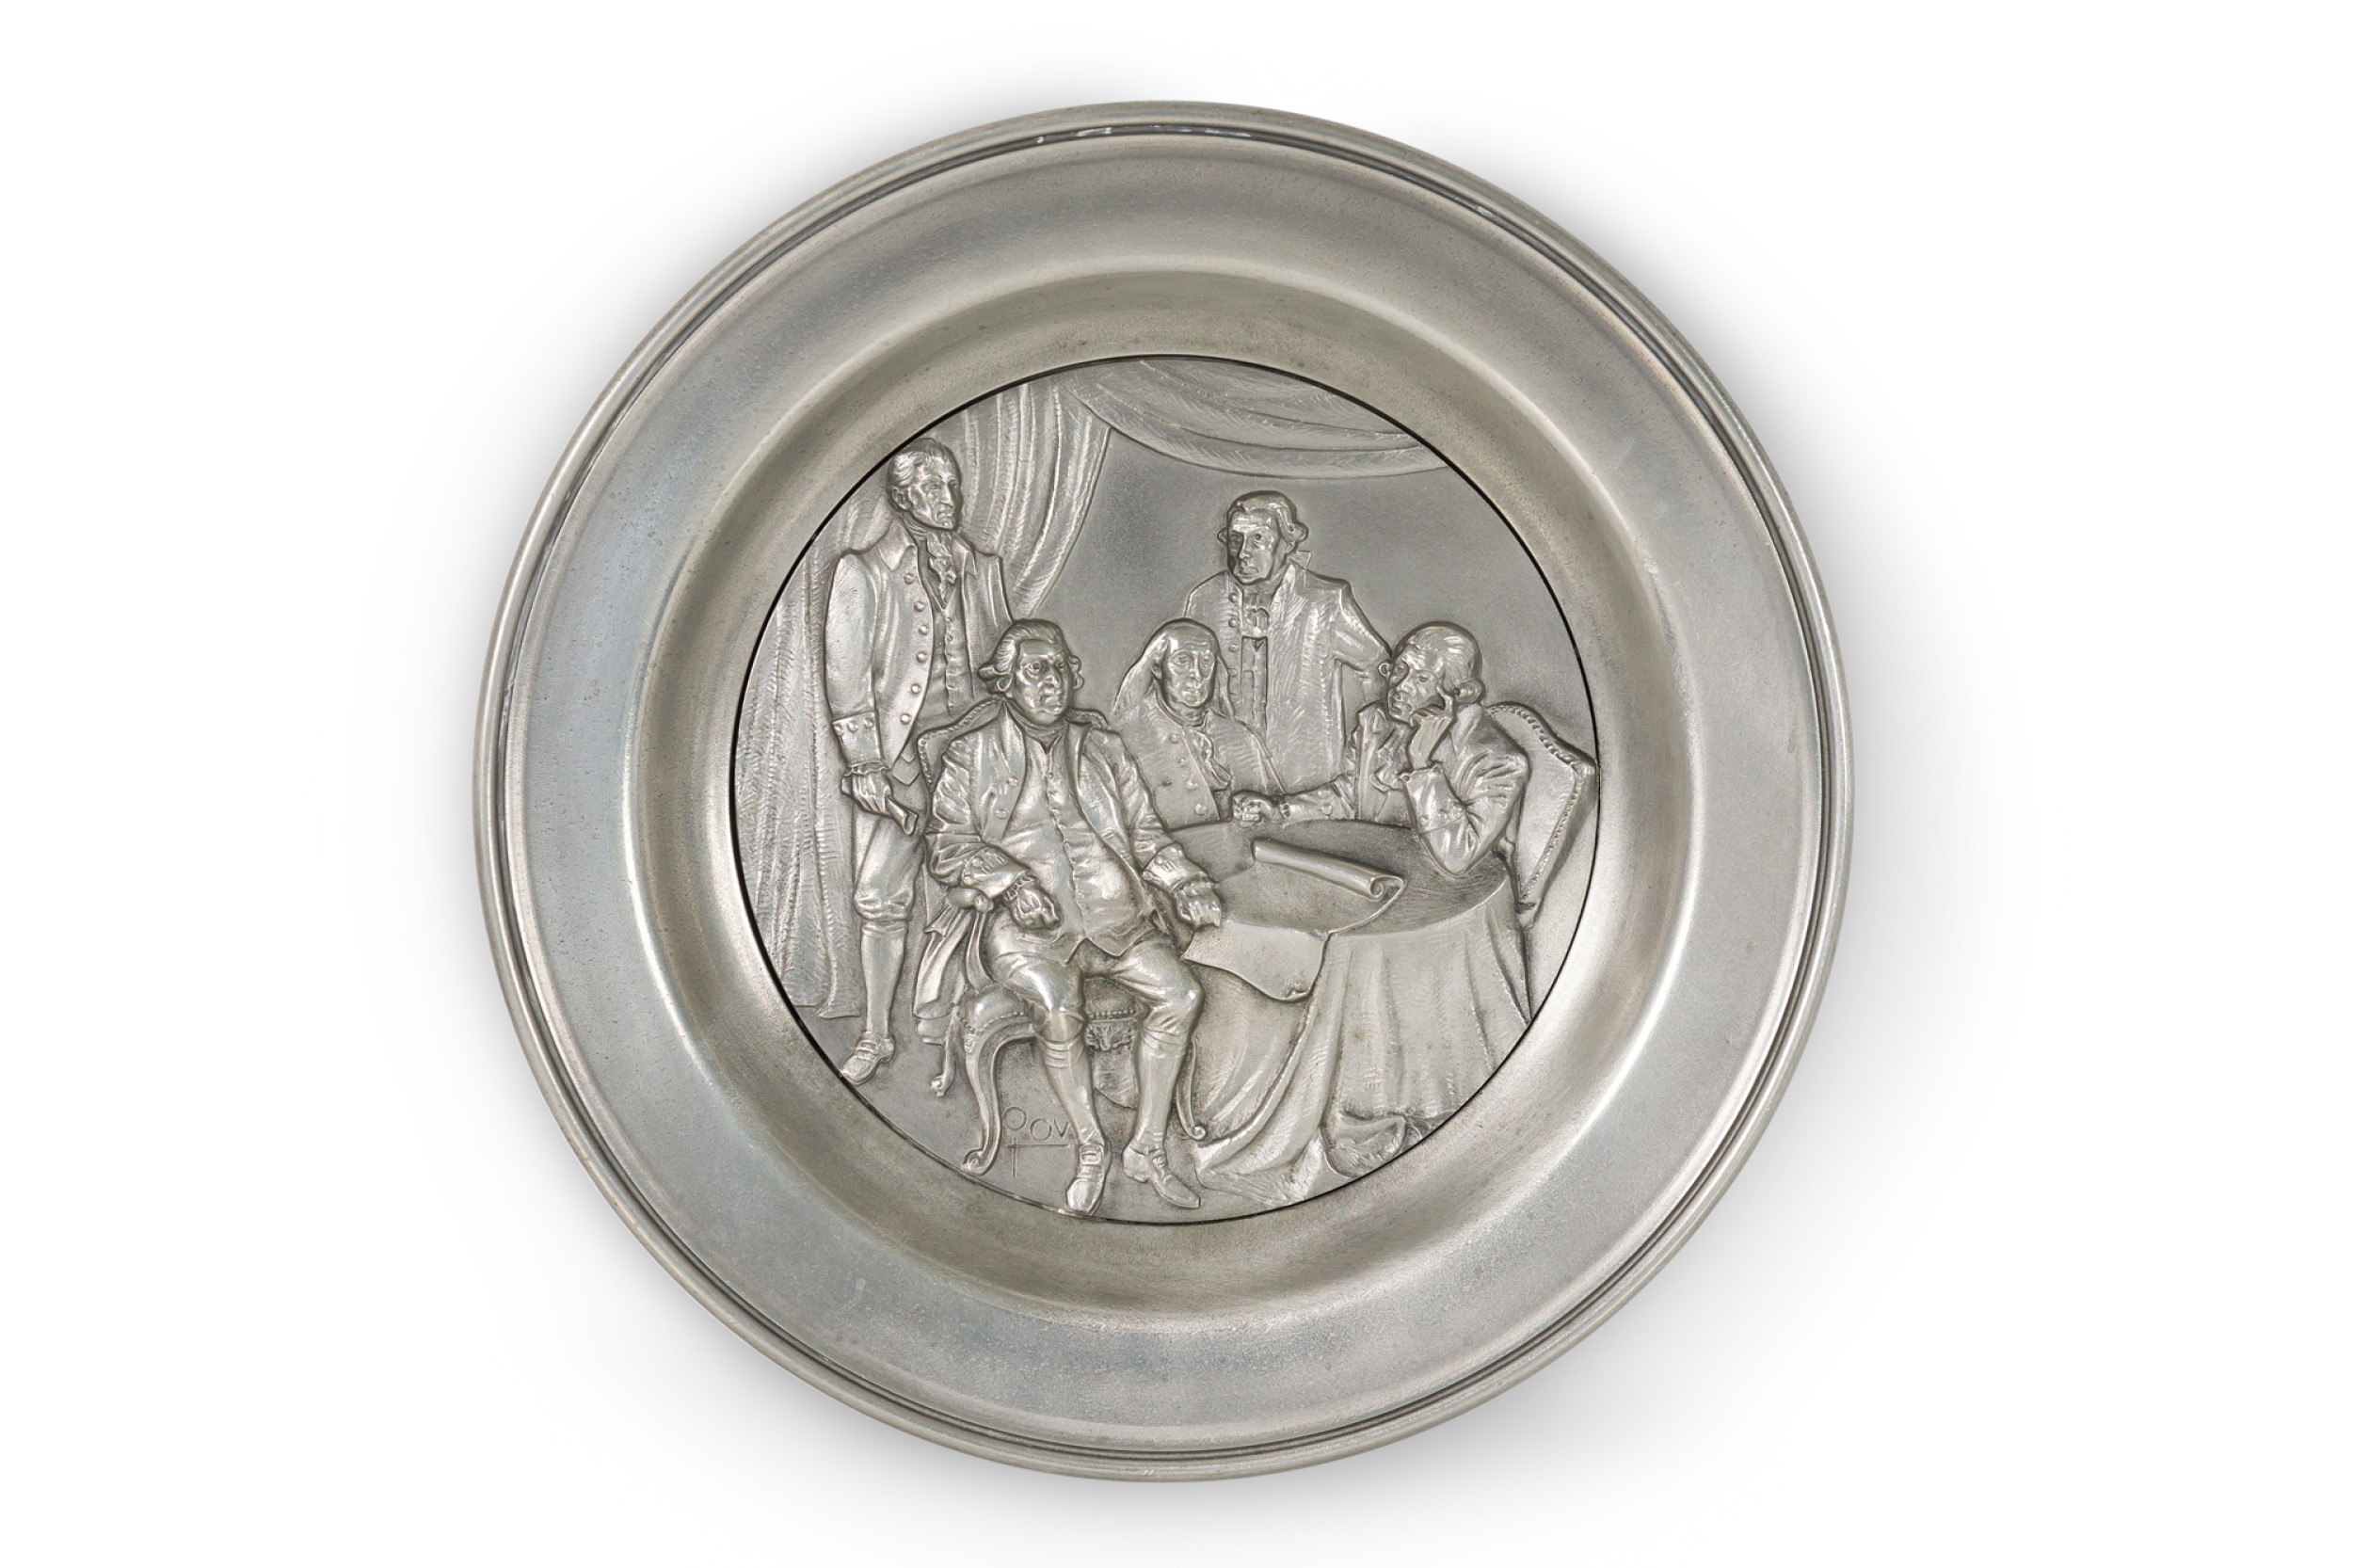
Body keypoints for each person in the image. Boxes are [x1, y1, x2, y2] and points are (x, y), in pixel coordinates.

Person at [925, 621, 1226, 1214]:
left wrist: (1185, 883)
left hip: (1118, 919)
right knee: (1059, 1010)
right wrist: (1011, 885)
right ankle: (1091, 1149)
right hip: (1026, 930)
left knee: (1183, 995)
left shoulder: (1104, 748)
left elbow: (1146, 835)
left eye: (1059, 668)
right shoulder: (972, 752)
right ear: (1006, 682)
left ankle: (1146, 1148)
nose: (1052, 682)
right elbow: (947, 843)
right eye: (1036, 670)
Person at [823, 438, 1011, 1086]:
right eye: (933, 488)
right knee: (880, 898)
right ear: (902, 498)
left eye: (952, 485)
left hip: (973, 761)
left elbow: (1000, 658)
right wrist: (865, 766)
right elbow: (847, 678)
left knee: (984, 890)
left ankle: (962, 1025)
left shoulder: (981, 567)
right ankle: (877, 1036)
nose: (949, 498)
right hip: (900, 762)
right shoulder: (863, 572)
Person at [1234, 622, 1529, 880]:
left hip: (1453, 902)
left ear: (1459, 694)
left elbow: (1458, 859)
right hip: (1374, 875)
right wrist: (1280, 809)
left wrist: (1422, 768)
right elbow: (1347, 798)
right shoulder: (1374, 723)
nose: (1400, 687)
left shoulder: (1498, 761)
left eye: (1422, 678)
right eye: (1400, 670)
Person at [1178, 491, 1386, 792]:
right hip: (1225, 772)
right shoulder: (1204, 600)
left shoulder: (1324, 601)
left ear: (1287, 543)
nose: (1243, 552)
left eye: (1258, 539)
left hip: (1303, 777)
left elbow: (1377, 668)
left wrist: (1367, 748)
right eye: (1236, 540)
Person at [1109, 619, 1279, 829]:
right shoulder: (1125, 741)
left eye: (1206, 661)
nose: (1197, 675)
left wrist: (1255, 814)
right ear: (1157, 667)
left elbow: (1277, 818)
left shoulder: (1242, 738)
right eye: (1182, 661)